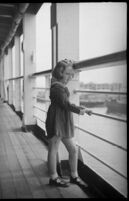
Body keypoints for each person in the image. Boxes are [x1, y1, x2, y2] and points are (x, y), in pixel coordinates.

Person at [46, 59, 92, 188]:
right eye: (67, 74)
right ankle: (53, 177)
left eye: (71, 74)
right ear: (60, 73)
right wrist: (80, 110)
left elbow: (66, 103)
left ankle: (74, 176)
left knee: (73, 150)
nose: (70, 77)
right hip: (56, 121)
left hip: (63, 121)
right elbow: (65, 104)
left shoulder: (59, 86)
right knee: (53, 150)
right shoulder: (56, 88)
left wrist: (82, 108)